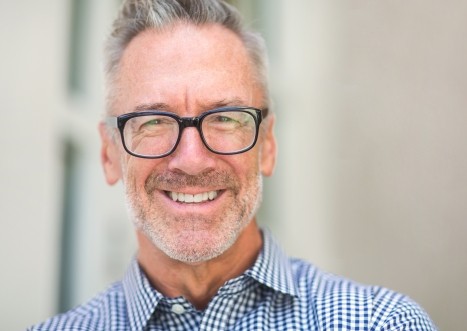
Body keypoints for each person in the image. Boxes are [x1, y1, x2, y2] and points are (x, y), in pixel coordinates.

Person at [29, 0, 437, 330]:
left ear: (268, 144)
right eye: (153, 121)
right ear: (108, 154)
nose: (191, 160)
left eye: (225, 118)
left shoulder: (380, 323)